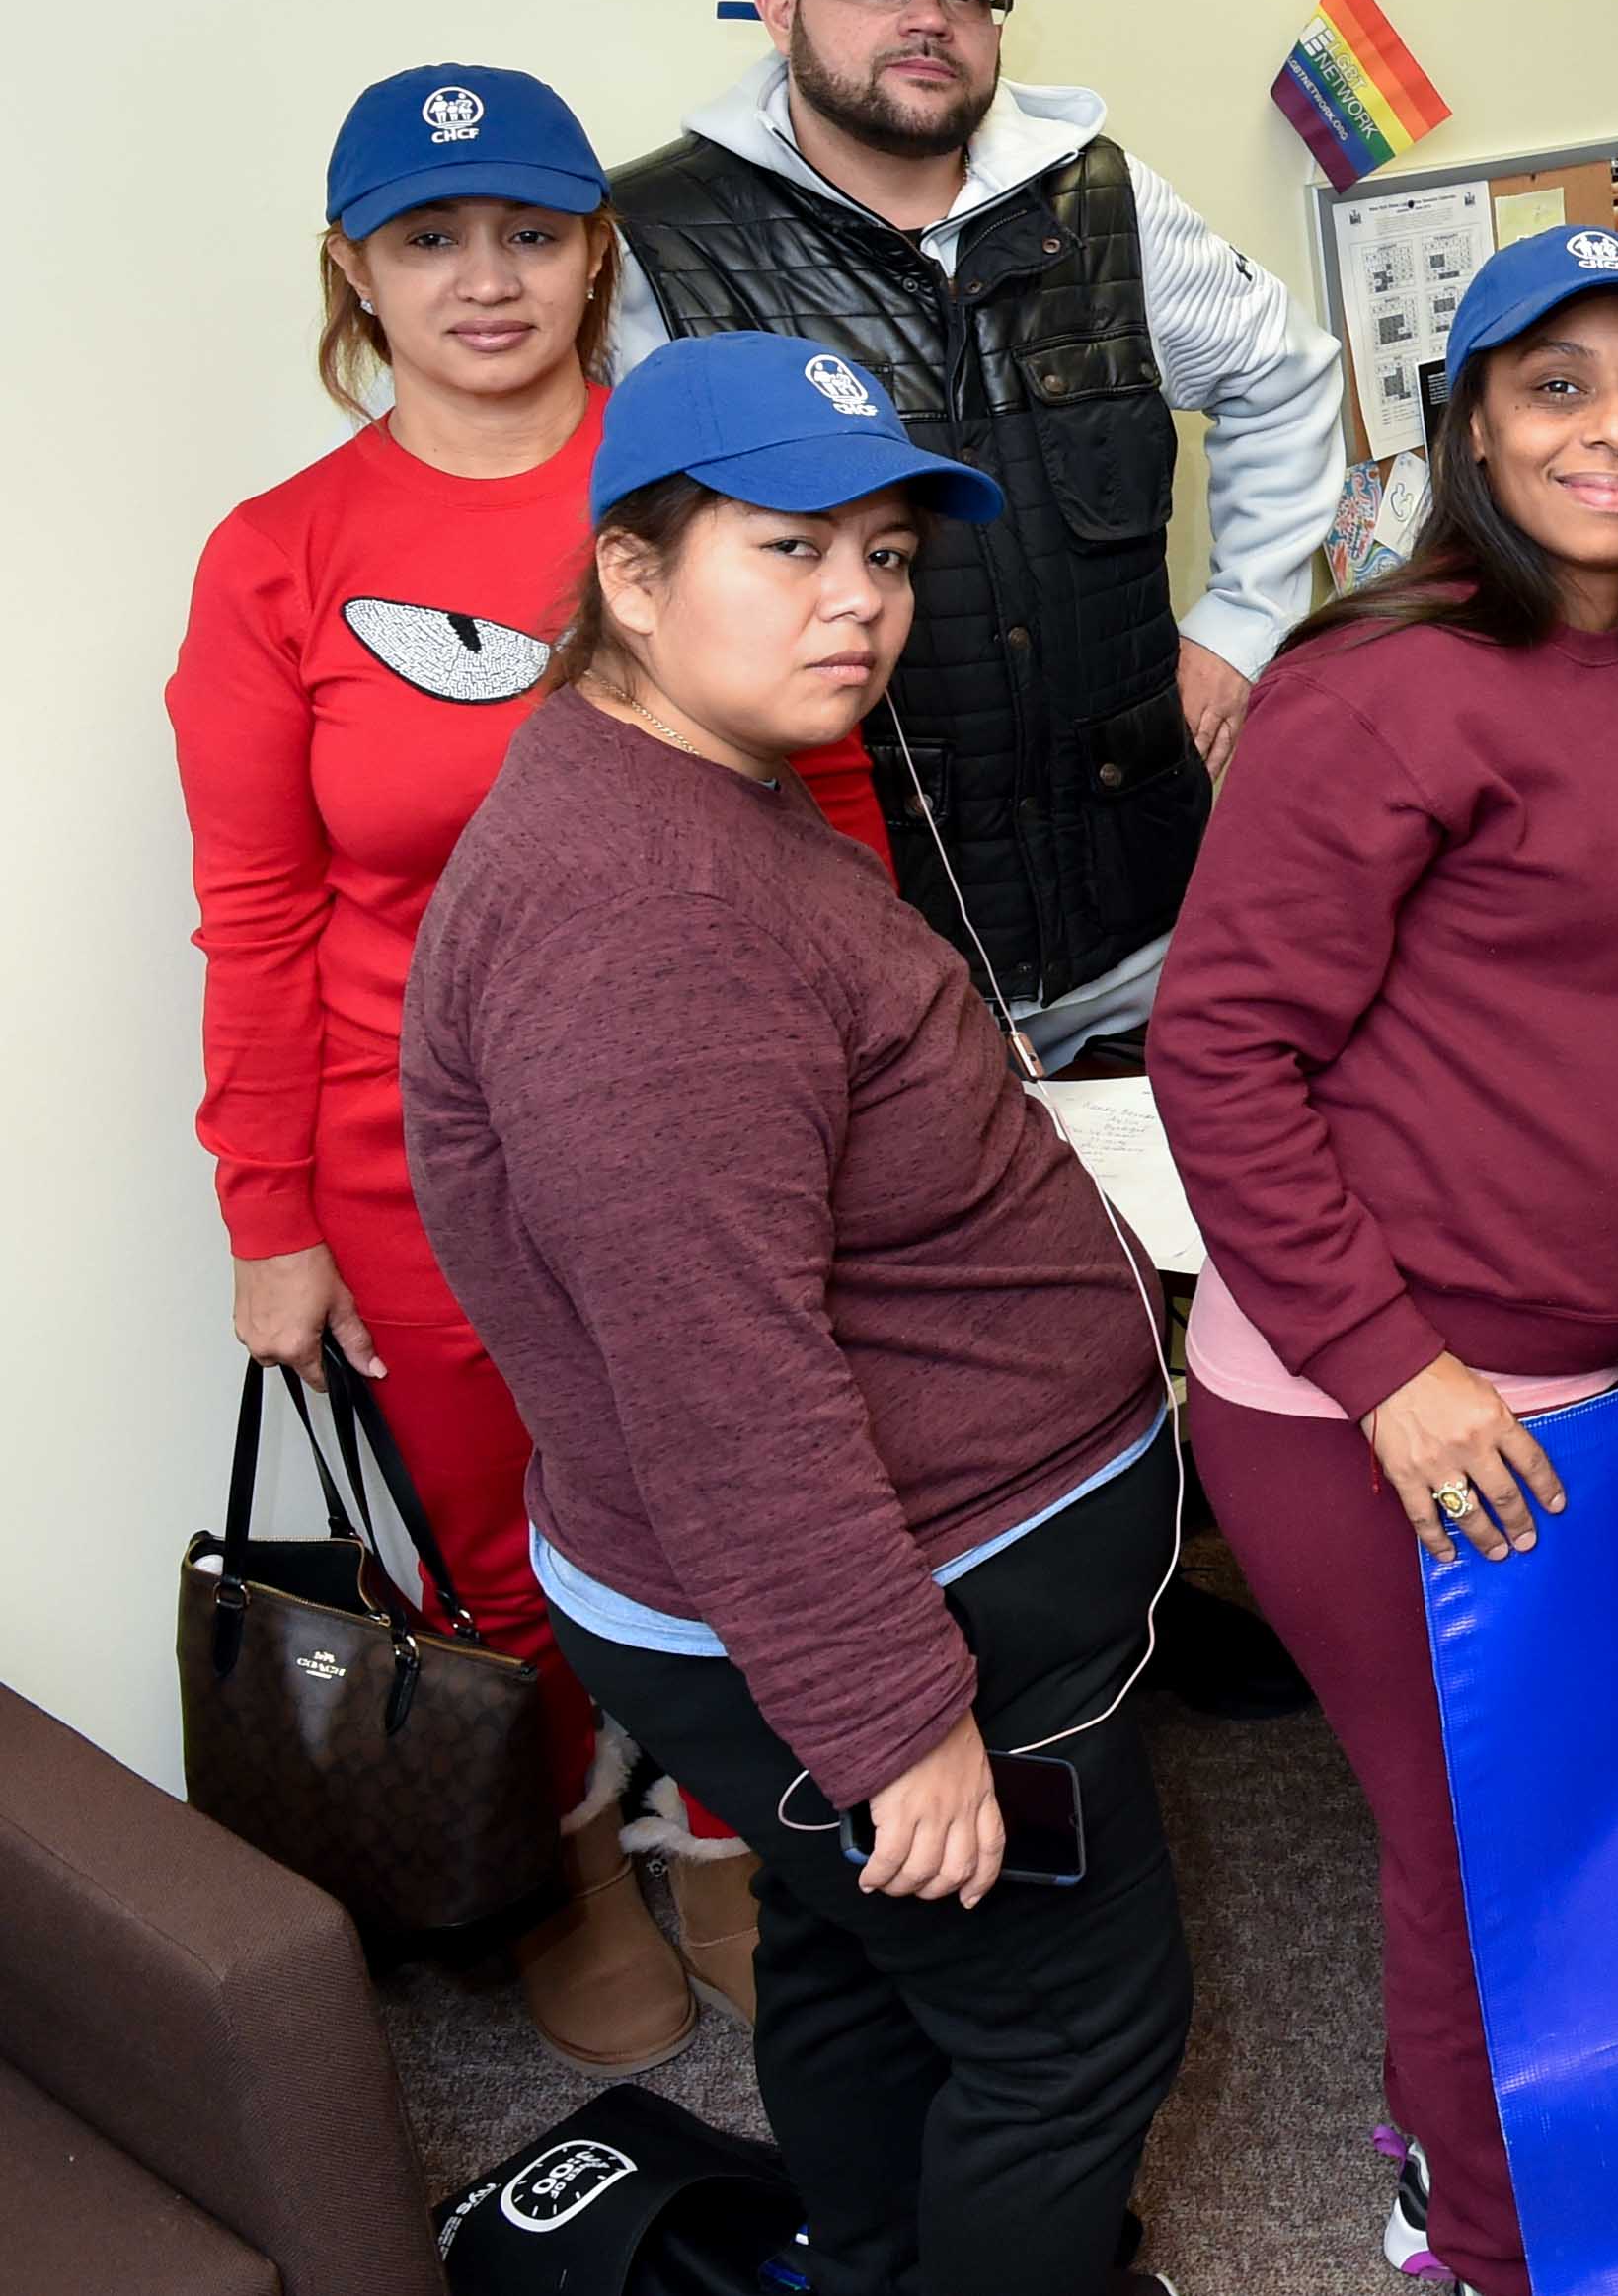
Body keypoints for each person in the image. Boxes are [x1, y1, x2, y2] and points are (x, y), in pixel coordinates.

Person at [401, 335, 1190, 2296]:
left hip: (845, 1581)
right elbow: (718, 1376)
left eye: (890, 551)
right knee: (1068, 2035)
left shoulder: (661, 783)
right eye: (791, 547)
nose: (861, 597)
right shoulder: (642, 916)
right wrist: (892, 1720)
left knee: (854, 1959)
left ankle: (872, 2258)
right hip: (902, 1607)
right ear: (632, 577)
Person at [172, 68, 884, 2067]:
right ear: (356, 268)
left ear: (597, 247)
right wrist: (272, 1215)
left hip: (726, 1130)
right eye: (429, 235)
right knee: (499, 1544)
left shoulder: (698, 488)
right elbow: (254, 907)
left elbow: (829, 797)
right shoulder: (276, 558)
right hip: (421, 1168)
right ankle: (574, 1856)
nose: (488, 277)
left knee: (762, 1483)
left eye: (533, 230)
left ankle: (742, 1842)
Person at [1148, 224, 1618, 2294]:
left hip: (1581, 1371)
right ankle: (1485, 2245)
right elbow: (1218, 1042)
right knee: (1487, 1850)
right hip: (1387, 1397)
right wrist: (1393, 1370)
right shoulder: (1382, 678)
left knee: (1554, 1823)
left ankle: (1462, 2154)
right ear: (1470, 423)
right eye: (1559, 383)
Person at [613, 0, 1348, 1063]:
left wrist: (1237, 628)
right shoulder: (659, 240)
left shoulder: (1098, 198)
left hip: (1145, 927)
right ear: (780, 2)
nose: (927, 16)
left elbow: (1289, 378)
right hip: (865, 963)